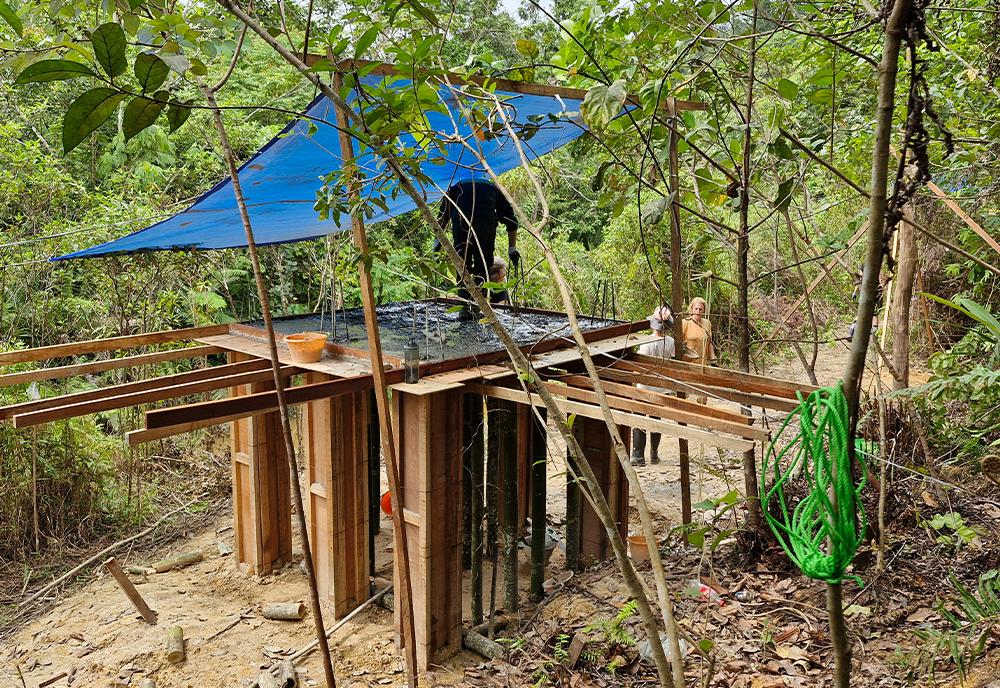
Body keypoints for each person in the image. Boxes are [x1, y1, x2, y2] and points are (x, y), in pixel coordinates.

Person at [436, 178, 519, 315]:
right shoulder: (492, 188)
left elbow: (441, 221)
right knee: (482, 265)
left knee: (462, 264)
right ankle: (477, 308)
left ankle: (466, 308)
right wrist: (512, 249)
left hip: (464, 225)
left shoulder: (455, 188)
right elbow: (510, 221)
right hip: (484, 226)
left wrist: (437, 244)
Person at [630, 306, 675, 467]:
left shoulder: (646, 343)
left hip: (646, 386)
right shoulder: (670, 342)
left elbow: (639, 366)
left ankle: (637, 455)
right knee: (656, 418)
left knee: (640, 418)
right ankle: (654, 454)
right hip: (662, 387)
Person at [681, 296, 716, 365]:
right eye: (696, 309)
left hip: (703, 363)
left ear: (704, 310)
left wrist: (713, 359)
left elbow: (709, 343)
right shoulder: (685, 322)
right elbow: (679, 343)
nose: (698, 311)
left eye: (700, 309)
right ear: (692, 309)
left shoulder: (707, 323)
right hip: (688, 363)